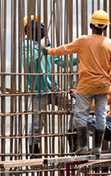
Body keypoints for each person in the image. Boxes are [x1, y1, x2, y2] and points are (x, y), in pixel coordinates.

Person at [46, 10, 111, 155]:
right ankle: (97, 147)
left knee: (81, 115)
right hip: (103, 85)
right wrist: (105, 67)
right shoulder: (110, 43)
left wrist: (49, 52)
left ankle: (82, 147)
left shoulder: (83, 41)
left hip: (86, 85)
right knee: (101, 115)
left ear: (91, 25)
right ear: (105, 28)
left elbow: (65, 49)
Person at [20, 16, 75, 157]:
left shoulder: (46, 45)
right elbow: (29, 62)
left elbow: (60, 60)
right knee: (37, 125)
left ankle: (73, 140)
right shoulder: (26, 46)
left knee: (75, 108)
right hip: (39, 92)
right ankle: (34, 154)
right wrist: (41, 48)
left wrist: (79, 57)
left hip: (54, 90)